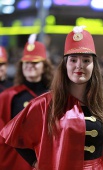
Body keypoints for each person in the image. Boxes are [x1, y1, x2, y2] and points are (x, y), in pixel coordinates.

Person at [0, 26, 103, 170]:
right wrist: (35, 162)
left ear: (94, 66)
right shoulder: (45, 103)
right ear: (65, 65)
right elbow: (14, 135)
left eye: (86, 60)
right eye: (73, 60)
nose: (79, 66)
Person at [0, 34, 53, 170]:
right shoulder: (9, 96)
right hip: (18, 162)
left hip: (50, 158)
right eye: (26, 62)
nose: (30, 66)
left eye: (35, 62)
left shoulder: (55, 96)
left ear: (44, 65)